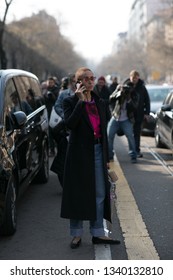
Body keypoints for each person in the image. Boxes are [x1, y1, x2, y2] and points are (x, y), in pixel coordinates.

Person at [60, 67, 120, 249]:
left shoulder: (100, 101)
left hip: (97, 152)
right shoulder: (70, 101)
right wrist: (80, 102)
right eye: (85, 78)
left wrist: (108, 157)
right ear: (77, 82)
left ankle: (97, 233)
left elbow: (103, 130)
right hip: (78, 154)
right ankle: (76, 234)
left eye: (92, 78)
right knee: (78, 194)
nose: (90, 81)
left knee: (100, 193)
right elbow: (70, 125)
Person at [50, 74, 76, 187]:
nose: (76, 83)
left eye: (78, 81)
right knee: (63, 157)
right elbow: (57, 106)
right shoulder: (64, 94)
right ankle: (65, 185)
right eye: (74, 81)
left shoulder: (86, 94)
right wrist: (66, 116)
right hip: (66, 131)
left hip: (80, 132)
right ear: (70, 83)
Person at [107, 84, 138, 163]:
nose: (125, 91)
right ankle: (109, 155)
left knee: (130, 136)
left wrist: (128, 99)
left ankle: (133, 156)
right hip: (116, 117)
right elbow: (110, 99)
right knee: (109, 135)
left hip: (126, 119)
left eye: (126, 90)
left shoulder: (133, 95)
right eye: (124, 89)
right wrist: (118, 92)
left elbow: (134, 108)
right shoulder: (119, 93)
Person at [124, 70, 150, 158]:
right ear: (130, 77)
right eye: (133, 78)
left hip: (139, 113)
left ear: (138, 78)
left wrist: (147, 113)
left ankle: (136, 150)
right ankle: (132, 149)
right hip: (128, 114)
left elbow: (147, 100)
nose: (134, 79)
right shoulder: (126, 86)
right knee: (129, 133)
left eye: (136, 78)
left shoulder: (142, 87)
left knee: (137, 132)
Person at [44, 77, 60, 156]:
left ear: (54, 83)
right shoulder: (45, 90)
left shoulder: (57, 90)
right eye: (49, 82)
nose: (50, 84)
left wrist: (51, 95)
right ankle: (52, 149)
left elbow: (57, 100)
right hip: (48, 112)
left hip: (55, 113)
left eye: (51, 82)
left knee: (57, 131)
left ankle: (59, 149)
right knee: (50, 132)